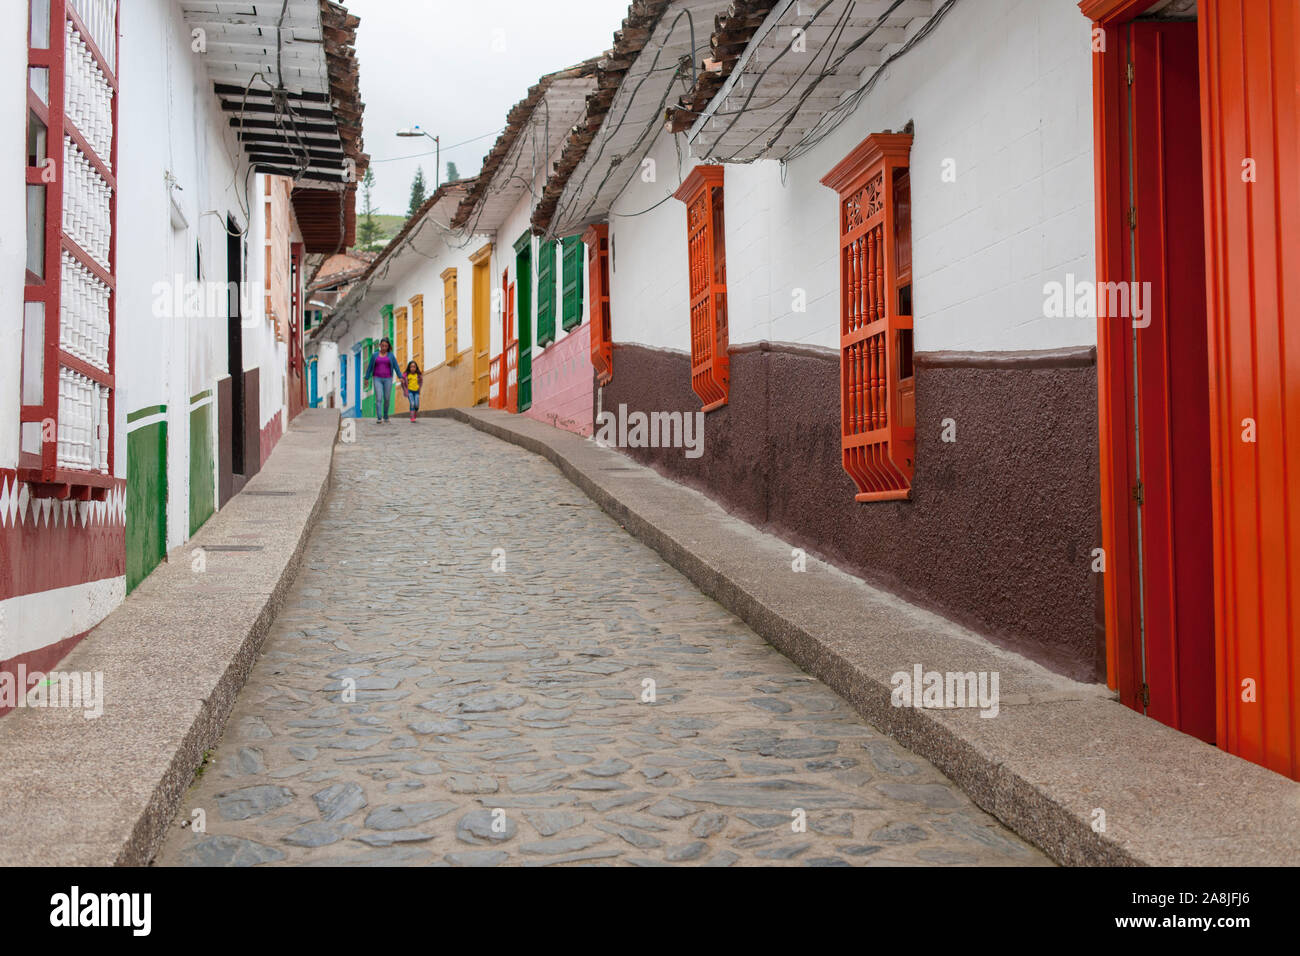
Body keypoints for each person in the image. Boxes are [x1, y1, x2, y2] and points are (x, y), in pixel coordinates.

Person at [365, 338, 400, 423]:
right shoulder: (375, 355)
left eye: (386, 346)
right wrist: (366, 378)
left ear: (388, 347)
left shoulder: (391, 355)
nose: (384, 347)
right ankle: (379, 417)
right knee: (379, 397)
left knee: (387, 398)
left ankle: (385, 415)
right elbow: (369, 367)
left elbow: (396, 367)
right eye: (382, 345)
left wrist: (400, 376)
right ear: (380, 345)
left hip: (388, 379)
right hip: (377, 378)